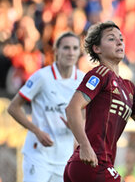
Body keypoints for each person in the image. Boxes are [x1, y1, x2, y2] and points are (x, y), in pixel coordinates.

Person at [63, 21, 135, 182]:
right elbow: (72, 108)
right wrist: (85, 146)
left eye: (121, 39)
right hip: (92, 161)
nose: (119, 42)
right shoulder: (100, 74)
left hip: (94, 164)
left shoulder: (129, 88)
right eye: (111, 39)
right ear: (97, 49)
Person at [7, 32, 84, 182]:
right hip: (38, 154)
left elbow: (86, 114)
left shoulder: (82, 79)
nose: (71, 52)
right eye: (66, 48)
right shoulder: (42, 76)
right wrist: (36, 131)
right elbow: (13, 107)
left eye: (75, 48)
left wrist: (77, 126)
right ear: (56, 51)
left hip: (64, 157)